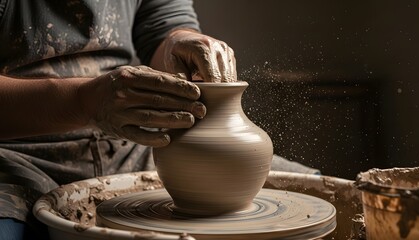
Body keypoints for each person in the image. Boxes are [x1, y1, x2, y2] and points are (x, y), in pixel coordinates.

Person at [0, 1, 318, 239]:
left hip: (132, 140)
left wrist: (179, 42)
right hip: (17, 152)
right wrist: (84, 102)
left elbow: (164, 24)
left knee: (324, 202)